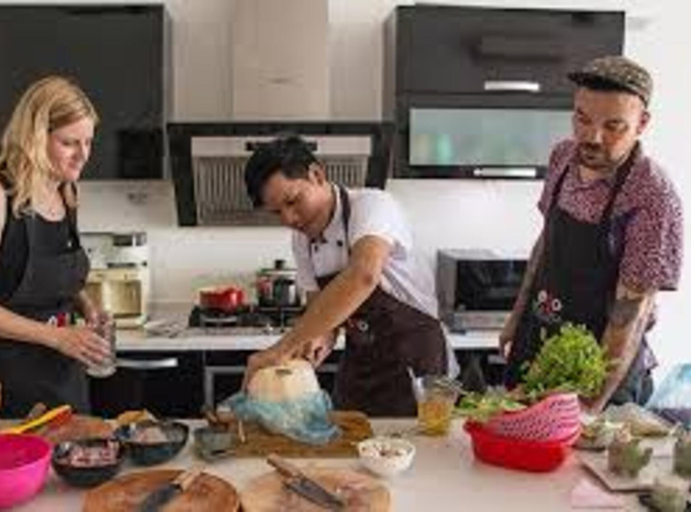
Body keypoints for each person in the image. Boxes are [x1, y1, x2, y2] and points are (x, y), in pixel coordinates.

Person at [500, 56, 683, 412]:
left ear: (641, 124)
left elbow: (631, 313)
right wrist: (516, 318)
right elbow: (546, 243)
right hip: (537, 345)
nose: (592, 138)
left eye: (613, 126)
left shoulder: (651, 194)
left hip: (600, 369)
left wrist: (587, 409)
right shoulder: (563, 158)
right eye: (582, 120)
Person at [242, 135, 457, 417]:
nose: (290, 219)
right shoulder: (303, 240)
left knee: (415, 453)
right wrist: (320, 339)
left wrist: (280, 349)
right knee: (344, 449)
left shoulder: (373, 206)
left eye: (293, 201)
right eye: (277, 213)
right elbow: (321, 313)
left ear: (317, 174)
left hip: (414, 358)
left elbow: (363, 275)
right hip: (361, 363)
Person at [0, 76, 111, 418]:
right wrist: (56, 337)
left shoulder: (66, 192)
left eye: (89, 142)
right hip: (7, 383)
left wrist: (86, 306)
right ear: (35, 137)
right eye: (69, 143)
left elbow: (57, 276)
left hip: (65, 378)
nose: (83, 155)